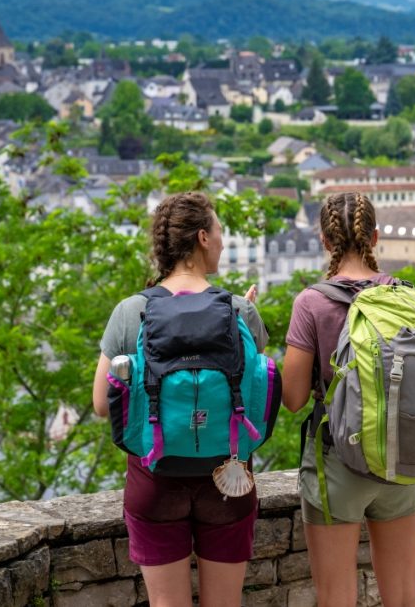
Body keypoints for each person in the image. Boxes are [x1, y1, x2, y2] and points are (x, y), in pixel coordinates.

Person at [92, 191, 267, 607]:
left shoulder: (130, 310)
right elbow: (254, 391)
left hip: (154, 479)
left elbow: (102, 404)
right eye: (221, 231)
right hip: (229, 480)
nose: (224, 241)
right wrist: (244, 314)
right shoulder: (239, 310)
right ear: (203, 238)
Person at [282, 192, 415, 607]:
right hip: (401, 457)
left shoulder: (312, 302)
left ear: (325, 241)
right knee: (402, 595)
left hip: (337, 462)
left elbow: (292, 399)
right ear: (375, 237)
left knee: (336, 597)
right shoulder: (404, 295)